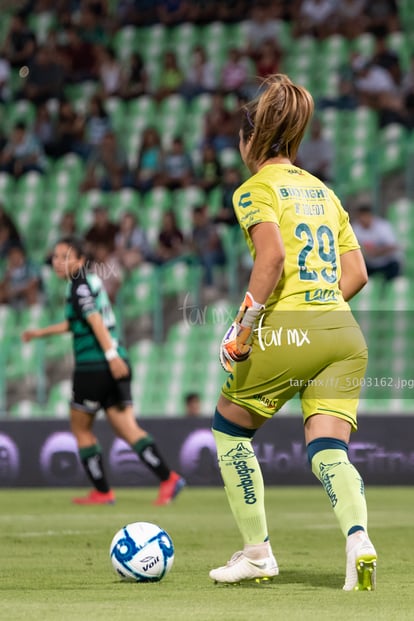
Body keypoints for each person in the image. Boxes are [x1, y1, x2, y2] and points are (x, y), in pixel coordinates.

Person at [209, 74, 377, 591]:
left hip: (292, 330)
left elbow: (273, 257)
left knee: (230, 428)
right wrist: (321, 313)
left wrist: (242, 327)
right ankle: (358, 541)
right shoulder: (322, 190)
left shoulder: (253, 189)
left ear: (248, 140)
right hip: (343, 335)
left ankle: (257, 553)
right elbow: (358, 272)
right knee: (329, 449)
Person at [22, 236, 186, 506]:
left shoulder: (79, 287)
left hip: (95, 366)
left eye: (65, 256)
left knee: (81, 428)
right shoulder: (88, 283)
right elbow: (77, 323)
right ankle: (168, 478)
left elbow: (94, 319)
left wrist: (109, 356)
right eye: (55, 256)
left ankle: (102, 491)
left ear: (80, 261)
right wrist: (40, 332)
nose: (57, 262)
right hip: (114, 361)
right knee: (127, 429)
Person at [351, 204, 402, 282]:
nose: (363, 219)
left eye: (365, 216)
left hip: (387, 261)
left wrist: (377, 252)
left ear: (370, 215)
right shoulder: (356, 228)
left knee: (394, 270)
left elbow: (393, 246)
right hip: (369, 263)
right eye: (361, 217)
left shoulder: (383, 226)